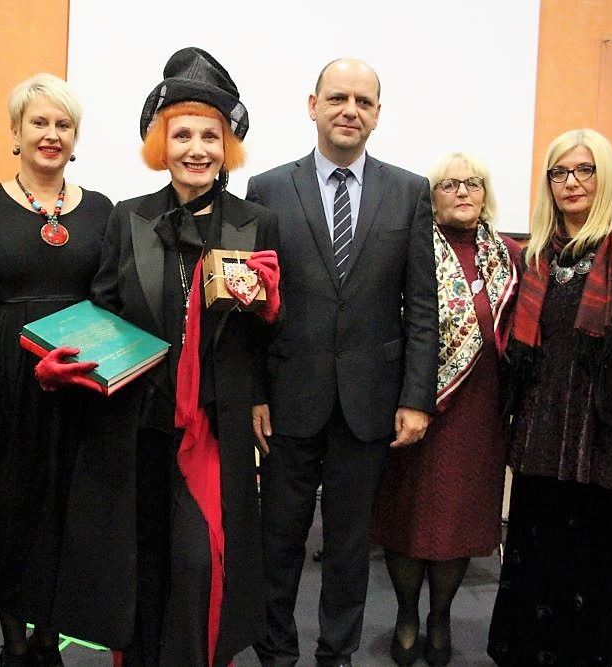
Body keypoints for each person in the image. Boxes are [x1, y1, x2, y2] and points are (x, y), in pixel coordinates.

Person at [35, 47, 280, 666]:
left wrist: (270, 303)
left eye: (210, 136)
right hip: (137, 424)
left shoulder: (257, 223)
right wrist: (69, 362)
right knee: (141, 565)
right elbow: (104, 311)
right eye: (182, 135)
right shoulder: (128, 218)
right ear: (161, 145)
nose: (196, 149)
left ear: (227, 147)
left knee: (201, 562)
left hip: (214, 427)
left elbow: (271, 336)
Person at [246, 58, 439, 667]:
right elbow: (255, 304)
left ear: (377, 115)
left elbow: (422, 304)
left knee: (351, 547)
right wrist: (255, 392)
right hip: (287, 398)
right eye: (337, 98)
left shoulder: (409, 191)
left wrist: (415, 397)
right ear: (313, 106)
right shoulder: (268, 189)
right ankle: (276, 653)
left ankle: (338, 654)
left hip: (370, 402)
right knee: (278, 542)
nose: (350, 110)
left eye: (363, 101)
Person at [487, 128, 612, 666]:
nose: (571, 182)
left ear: (606, 175)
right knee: (533, 559)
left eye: (584, 170)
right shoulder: (538, 255)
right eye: (559, 172)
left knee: (591, 568)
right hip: (542, 437)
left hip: (609, 438)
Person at [0, 73, 114, 666]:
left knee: (68, 514)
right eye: (38, 122)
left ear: (75, 138)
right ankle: (15, 643)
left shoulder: (102, 211)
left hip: (80, 387)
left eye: (63, 124)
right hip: (0, 389)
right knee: (5, 511)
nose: (51, 134)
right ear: (15, 133)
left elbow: (115, 297)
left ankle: (49, 638)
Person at [369, 153, 521, 666]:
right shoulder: (412, 248)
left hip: (480, 412)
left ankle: (440, 617)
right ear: (431, 197)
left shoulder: (508, 255)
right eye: (450, 184)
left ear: (485, 192)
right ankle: (407, 615)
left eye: (472, 183)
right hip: (417, 406)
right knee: (408, 518)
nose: (463, 192)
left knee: (457, 523)